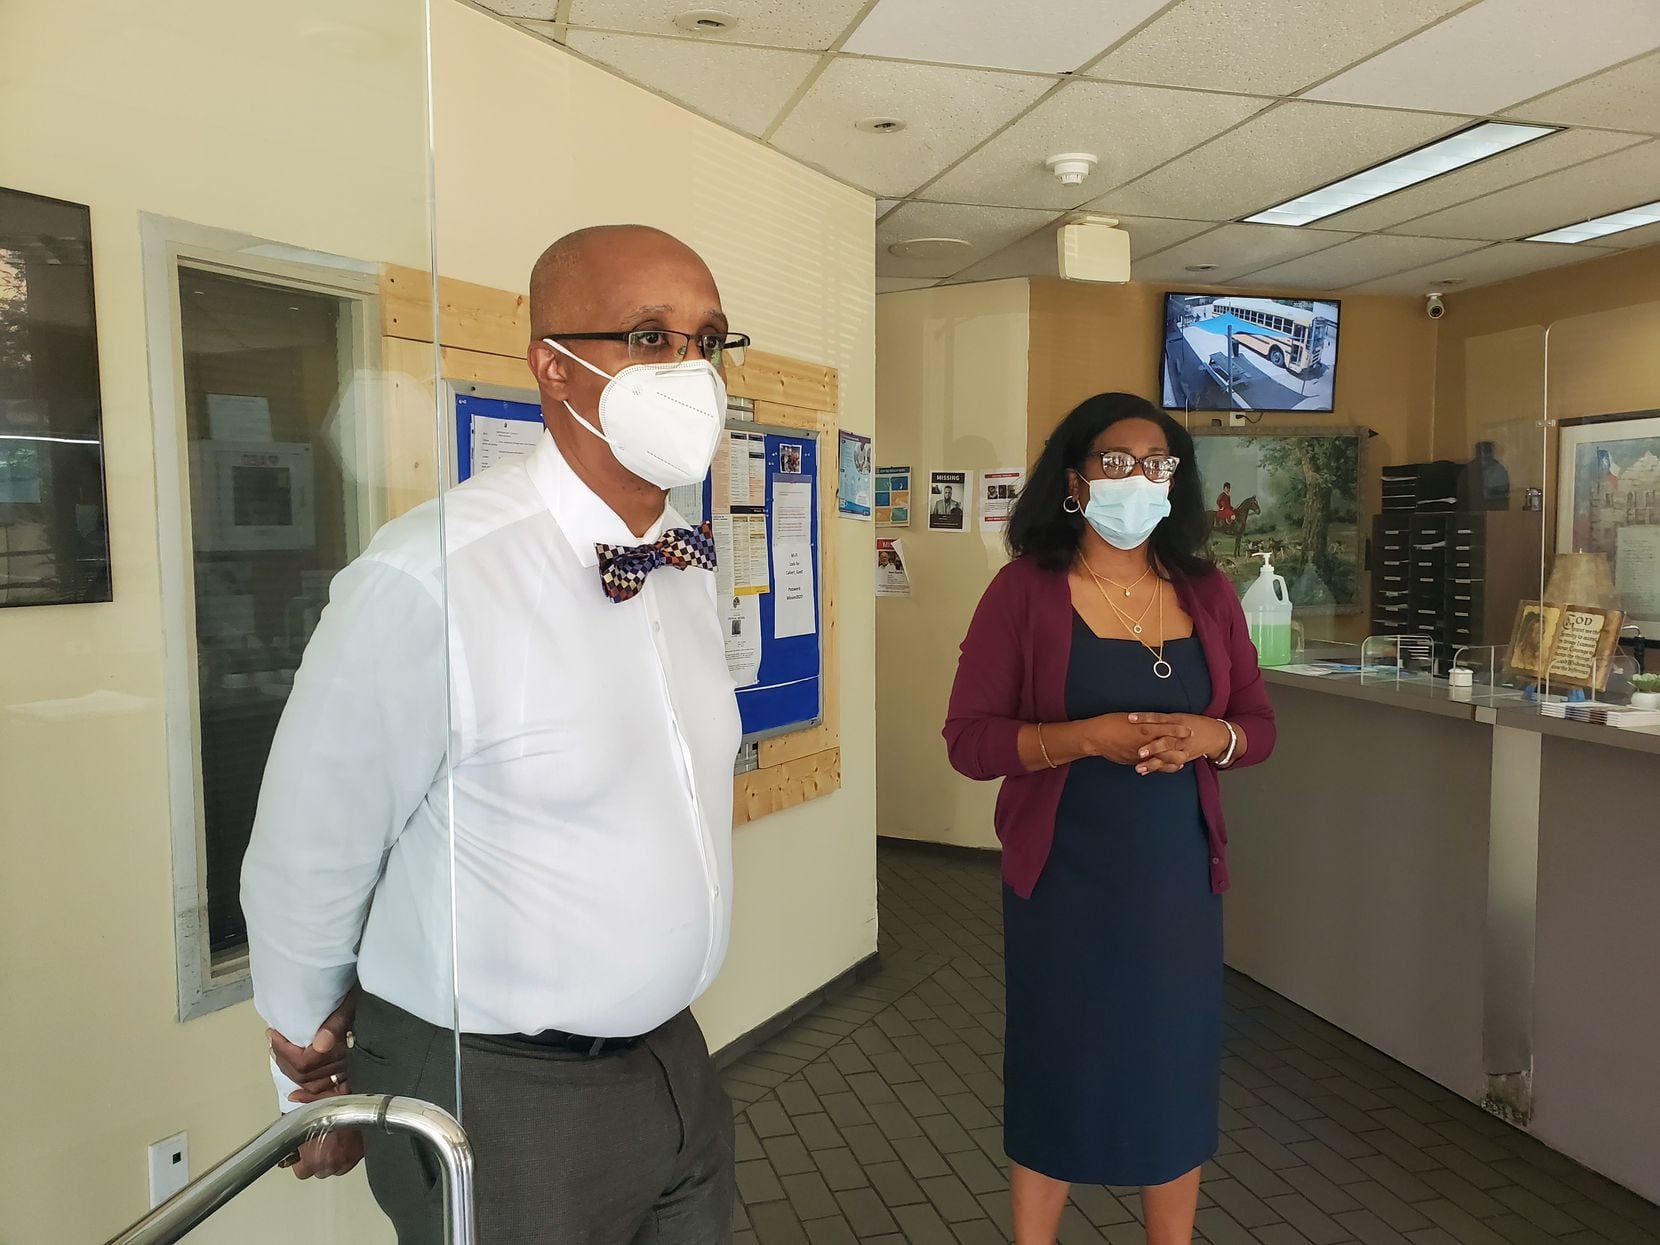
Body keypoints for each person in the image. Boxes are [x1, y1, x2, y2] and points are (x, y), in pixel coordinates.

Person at [240, 224, 747, 1244]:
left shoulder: (683, 570)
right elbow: (310, 851)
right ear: (552, 369)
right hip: (496, 1092)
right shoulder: (431, 577)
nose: (689, 369)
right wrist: (309, 1080)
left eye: (708, 340)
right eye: (650, 337)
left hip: (677, 1065)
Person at [943, 392, 1276, 1245]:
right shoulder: (1024, 592)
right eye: (1118, 462)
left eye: (1158, 464)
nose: (1140, 478)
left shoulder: (1206, 592)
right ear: (1074, 479)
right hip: (1063, 883)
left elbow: (1258, 728)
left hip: (1176, 885)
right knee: (1061, 1065)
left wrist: (1213, 735)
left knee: (1172, 1069)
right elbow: (970, 741)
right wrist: (1078, 738)